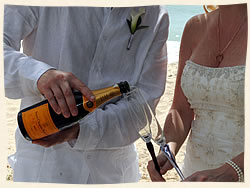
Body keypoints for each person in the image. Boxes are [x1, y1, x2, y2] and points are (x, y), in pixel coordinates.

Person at [4, 5, 169, 183]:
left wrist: (81, 131)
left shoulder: (156, 13)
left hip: (113, 172)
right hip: (44, 168)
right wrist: (37, 75)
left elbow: (143, 105)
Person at [147, 4, 246, 182]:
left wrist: (232, 170)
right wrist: (169, 147)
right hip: (194, 173)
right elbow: (180, 109)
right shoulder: (195, 26)